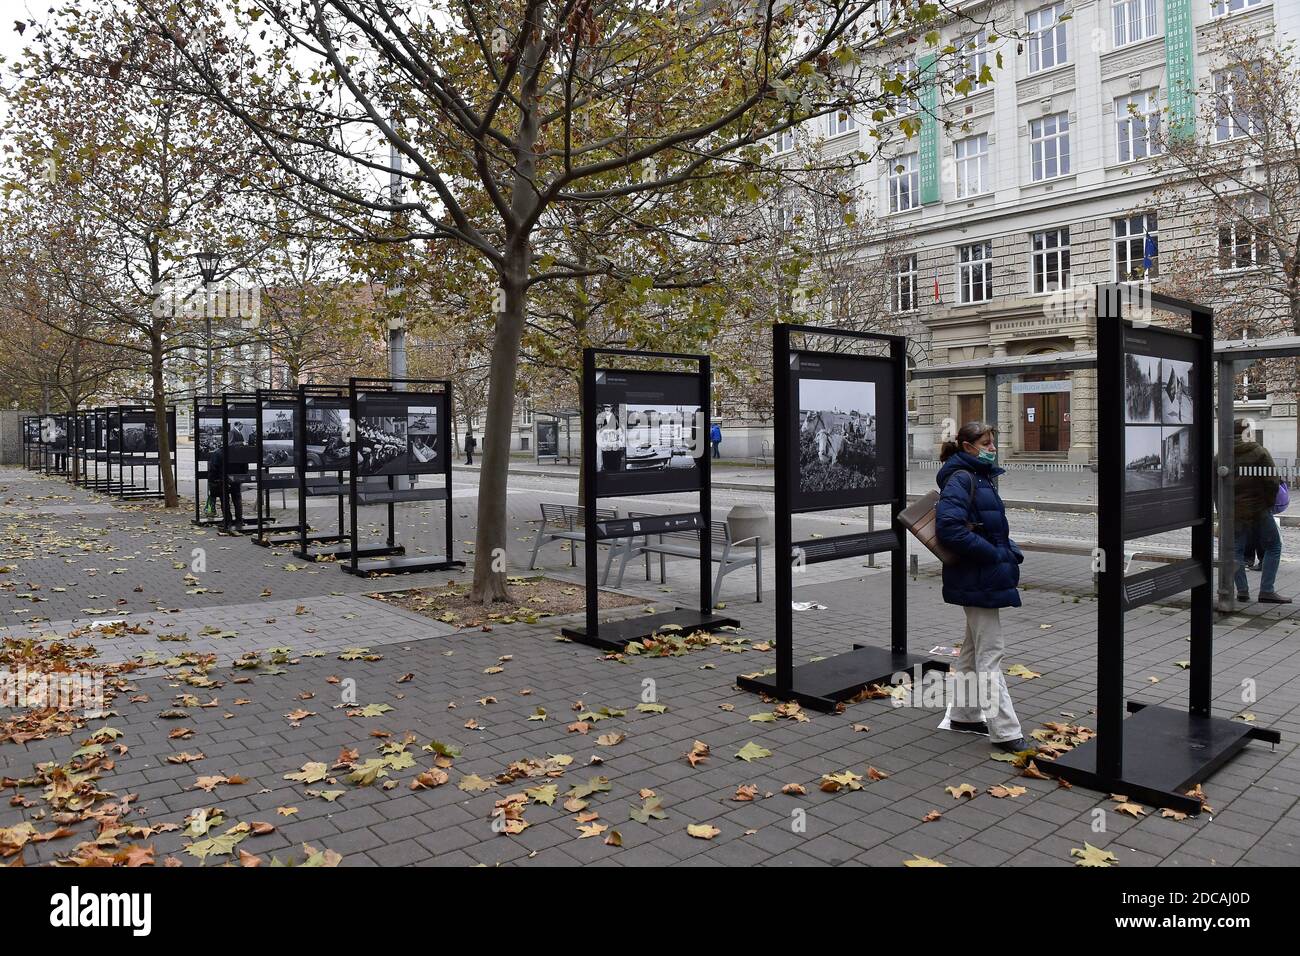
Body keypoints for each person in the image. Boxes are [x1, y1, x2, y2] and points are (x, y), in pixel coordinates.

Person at [934, 421, 1034, 753]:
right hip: (977, 575)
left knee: (973, 649)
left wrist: (1008, 548)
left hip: (979, 575)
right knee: (991, 653)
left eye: (993, 443)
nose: (992, 449)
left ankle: (964, 714)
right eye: (986, 444)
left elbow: (987, 526)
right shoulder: (962, 477)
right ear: (967, 447)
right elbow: (949, 528)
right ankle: (1005, 731)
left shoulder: (978, 475)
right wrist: (994, 555)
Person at [1229, 420, 1290, 604]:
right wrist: (1268, 504)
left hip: (1235, 510)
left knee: (1236, 551)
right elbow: (1272, 481)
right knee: (1273, 546)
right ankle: (1266, 590)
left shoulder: (1221, 454)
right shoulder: (1258, 452)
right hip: (1258, 509)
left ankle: (1242, 591)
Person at [208, 446, 248, 529]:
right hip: (236, 479)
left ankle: (227, 520)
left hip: (222, 480)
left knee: (224, 499)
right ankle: (239, 520)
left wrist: (213, 480)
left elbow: (213, 468)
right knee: (237, 498)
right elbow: (245, 467)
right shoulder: (239, 452)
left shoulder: (218, 452)